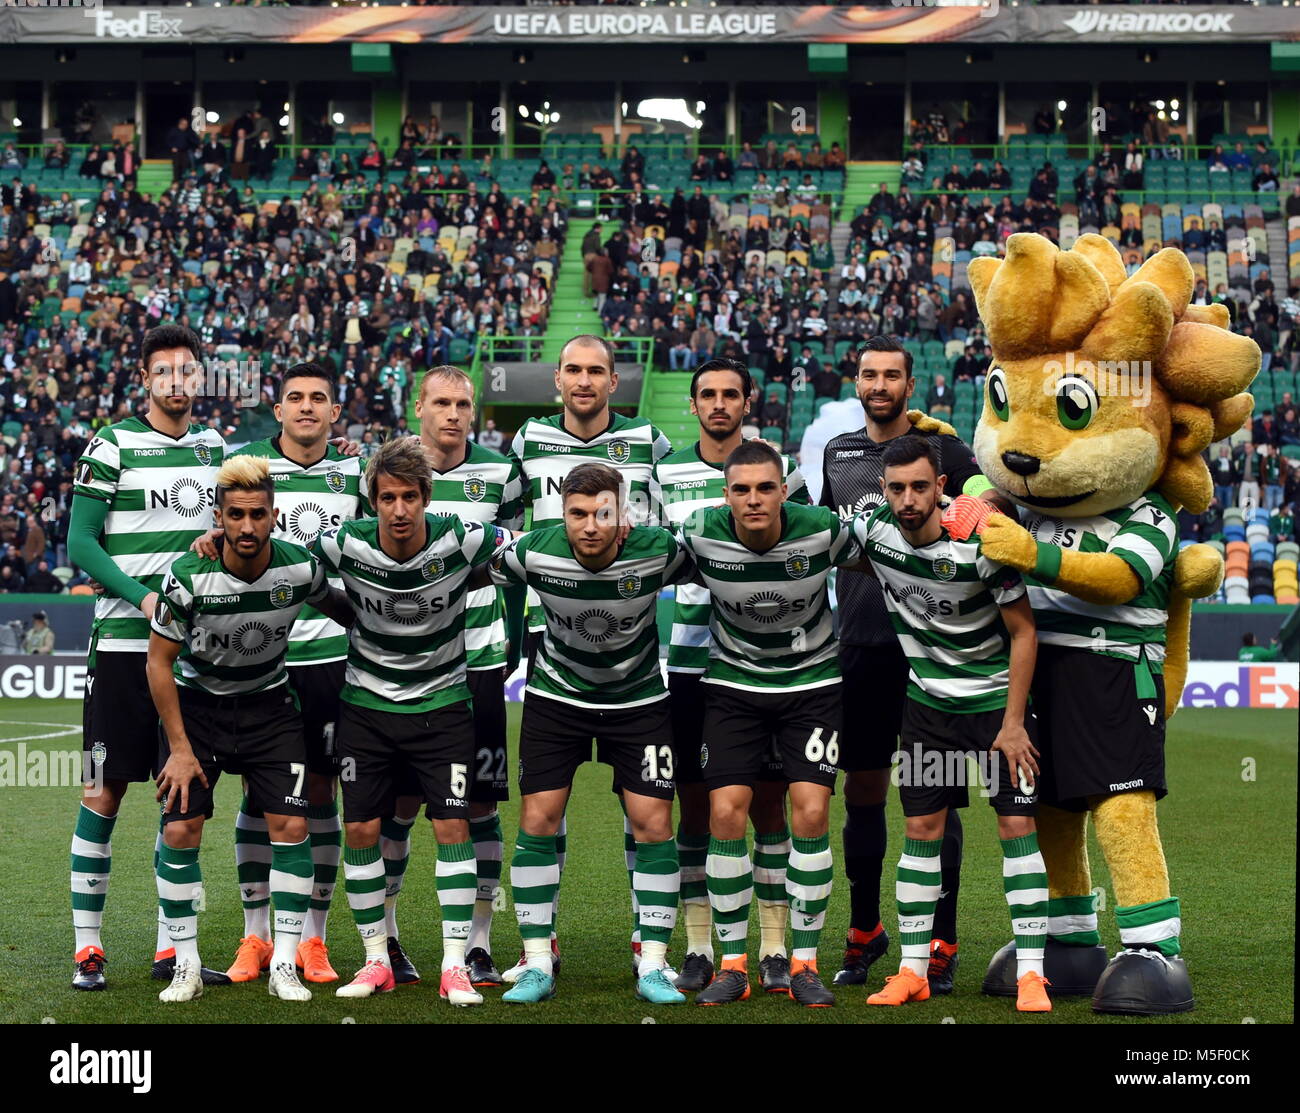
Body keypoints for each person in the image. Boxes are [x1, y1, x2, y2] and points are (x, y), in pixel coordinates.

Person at [819, 335, 1001, 992]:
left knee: (938, 804)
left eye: (891, 374)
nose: (879, 384)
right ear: (857, 379)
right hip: (862, 647)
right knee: (862, 790)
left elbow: (989, 499)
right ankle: (865, 929)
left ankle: (942, 940)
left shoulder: (945, 450)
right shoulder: (838, 454)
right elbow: (828, 538)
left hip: (938, 660)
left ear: (908, 382)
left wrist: (979, 505)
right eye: (869, 373)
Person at [848, 435, 1049, 1012]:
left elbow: (1023, 632)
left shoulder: (983, 545)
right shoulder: (875, 536)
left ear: (941, 488)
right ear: (883, 491)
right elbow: (813, 532)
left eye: (919, 487)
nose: (908, 499)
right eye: (896, 488)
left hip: (994, 712)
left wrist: (1014, 724)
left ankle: (1032, 974)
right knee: (921, 834)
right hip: (928, 710)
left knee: (1016, 831)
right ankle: (912, 970)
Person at [490, 463, 696, 1005]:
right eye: (578, 513)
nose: (590, 526)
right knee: (538, 819)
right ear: (562, 513)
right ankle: (537, 962)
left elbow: (722, 545)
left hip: (640, 702)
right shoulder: (532, 551)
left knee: (653, 823)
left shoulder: (661, 550)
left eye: (604, 513)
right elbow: (470, 559)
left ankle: (652, 963)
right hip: (557, 699)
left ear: (622, 514)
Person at [147, 455, 350, 1004]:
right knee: (180, 832)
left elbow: (346, 609)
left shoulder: (298, 569)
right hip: (199, 711)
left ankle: (284, 959)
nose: (246, 527)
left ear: (275, 516)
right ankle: (186, 964)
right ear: (218, 516)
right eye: (234, 515)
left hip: (268, 707)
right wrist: (181, 750)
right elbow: (158, 663)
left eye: (257, 515)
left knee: (291, 823)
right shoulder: (188, 576)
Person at [502, 334, 672, 980]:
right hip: (552, 634)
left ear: (613, 381)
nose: (583, 380)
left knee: (646, 810)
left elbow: (670, 513)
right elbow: (502, 519)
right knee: (545, 806)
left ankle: (646, 942)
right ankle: (536, 949)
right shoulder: (528, 442)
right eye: (572, 369)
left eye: (595, 370)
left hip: (630, 637)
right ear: (556, 380)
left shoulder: (648, 442)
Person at [67, 324, 231, 993]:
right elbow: (80, 542)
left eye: (186, 370)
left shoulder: (216, 447)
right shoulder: (111, 444)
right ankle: (87, 950)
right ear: (145, 379)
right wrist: (142, 598)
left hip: (192, 659)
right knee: (102, 790)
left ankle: (174, 951)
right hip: (119, 648)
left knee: (183, 802)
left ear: (198, 378)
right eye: (162, 371)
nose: (175, 382)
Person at [314, 437, 504, 1006]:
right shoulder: (342, 543)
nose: (399, 510)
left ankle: (454, 965)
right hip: (365, 710)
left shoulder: (464, 538)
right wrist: (210, 541)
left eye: (410, 498)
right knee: (363, 831)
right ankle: (376, 959)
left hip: (441, 708)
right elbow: (283, 564)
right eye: (387, 498)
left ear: (427, 497)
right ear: (371, 501)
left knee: (452, 827)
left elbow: (531, 547)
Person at [198, 363, 369, 988]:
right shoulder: (246, 469)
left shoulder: (354, 471)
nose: (306, 407)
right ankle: (255, 937)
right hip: (259, 660)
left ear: (334, 410)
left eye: (318, 398)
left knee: (318, 795)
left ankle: (314, 943)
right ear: (277, 409)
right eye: (294, 397)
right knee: (257, 796)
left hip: (329, 657)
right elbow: (214, 539)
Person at [679, 440, 865, 1008]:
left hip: (811, 687)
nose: (754, 499)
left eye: (766, 488)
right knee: (724, 811)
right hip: (733, 687)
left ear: (785, 490)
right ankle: (733, 964)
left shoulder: (824, 531)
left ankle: (802, 963)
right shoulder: (698, 533)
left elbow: (894, 542)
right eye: (742, 489)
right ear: (726, 495)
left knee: (810, 810)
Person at [650, 358, 810, 994]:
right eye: (707, 395)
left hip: (766, 665)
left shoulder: (780, 472)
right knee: (698, 805)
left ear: (749, 402)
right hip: (690, 663)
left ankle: (773, 948)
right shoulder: (665, 474)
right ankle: (698, 946)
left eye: (730, 395)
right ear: (692, 406)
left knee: (770, 804)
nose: (719, 404)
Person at [394, 365, 524, 988]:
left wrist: (516, 636)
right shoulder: (389, 471)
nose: (453, 414)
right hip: (403, 663)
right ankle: (388, 938)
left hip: (478, 660)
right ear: (418, 407)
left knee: (480, 802)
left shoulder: (500, 474)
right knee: (397, 801)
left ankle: (478, 943)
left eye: (463, 404)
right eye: (441, 403)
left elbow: (521, 552)